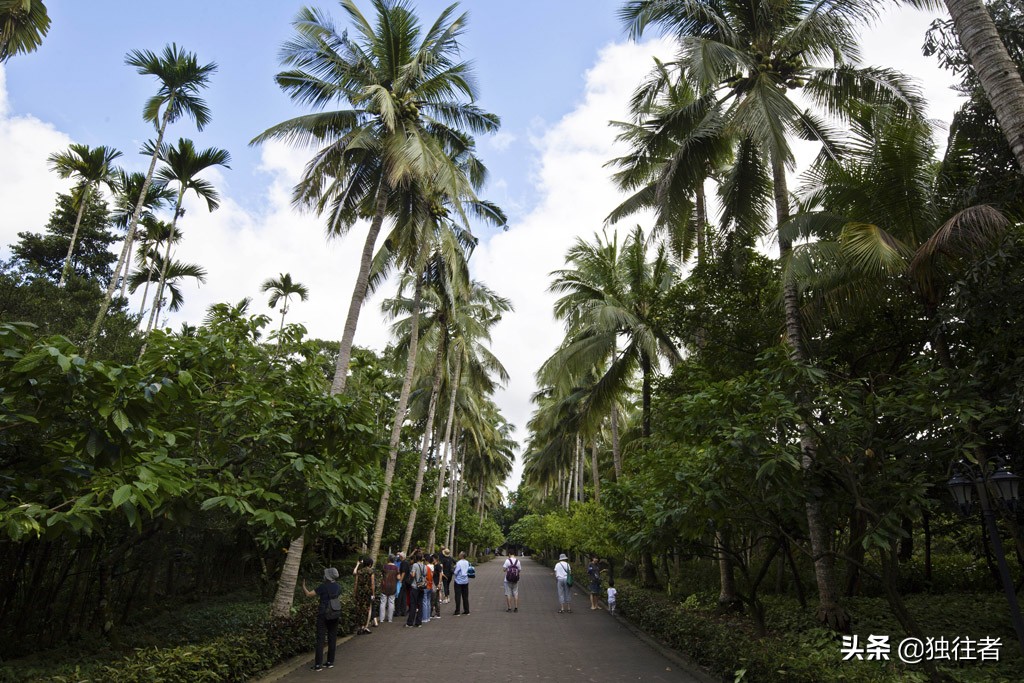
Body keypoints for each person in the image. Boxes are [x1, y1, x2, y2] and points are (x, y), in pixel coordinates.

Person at [302, 567, 341, 671]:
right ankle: (330, 662)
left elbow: (309, 594)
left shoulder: (323, 587)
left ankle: (318, 665)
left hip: (323, 613)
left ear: (327, 576)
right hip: (335, 613)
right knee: (332, 638)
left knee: (320, 638)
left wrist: (303, 586)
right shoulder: (338, 586)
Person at [354, 556, 375, 633]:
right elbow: (372, 584)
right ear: (370, 564)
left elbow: (356, 583)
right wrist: (373, 593)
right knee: (367, 609)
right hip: (367, 593)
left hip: (360, 592)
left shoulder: (359, 571)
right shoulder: (371, 571)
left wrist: (355, 592)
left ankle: (360, 626)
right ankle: (365, 627)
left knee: (360, 609)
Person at [405, 551, 426, 627]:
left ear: (416, 558)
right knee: (420, 605)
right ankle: (418, 622)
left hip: (415, 586)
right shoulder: (424, 566)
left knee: (413, 604)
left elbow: (413, 574)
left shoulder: (415, 565)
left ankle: (410, 622)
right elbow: (425, 575)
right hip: (422, 586)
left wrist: (410, 574)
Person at [379, 554, 399, 624]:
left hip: (384, 586)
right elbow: (398, 577)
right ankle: (390, 619)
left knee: (383, 602)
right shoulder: (396, 568)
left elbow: (381, 575)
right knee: (391, 602)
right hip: (393, 586)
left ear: (388, 559)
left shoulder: (384, 566)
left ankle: (381, 619)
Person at [452, 551, 471, 616]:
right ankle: (467, 610)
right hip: (465, 580)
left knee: (457, 596)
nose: (458, 555)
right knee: (465, 596)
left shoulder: (459, 563)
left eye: (459, 554)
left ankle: (457, 611)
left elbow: (456, 572)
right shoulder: (467, 562)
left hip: (458, 581)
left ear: (461, 556)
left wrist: (453, 570)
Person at [421, 554, 435, 624]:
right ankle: (428, 616)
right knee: (428, 601)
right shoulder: (431, 568)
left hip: (426, 586)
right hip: (430, 585)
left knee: (424, 602)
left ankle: (424, 617)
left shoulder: (425, 567)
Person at [395, 551, 410, 617]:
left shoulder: (403, 563)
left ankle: (398, 611)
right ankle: (403, 611)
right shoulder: (407, 562)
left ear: (401, 557)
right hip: (406, 582)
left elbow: (403, 572)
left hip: (403, 581)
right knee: (404, 597)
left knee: (399, 596)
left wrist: (400, 580)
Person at [431, 553, 444, 619]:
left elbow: (440, 574)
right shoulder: (434, 565)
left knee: (435, 599)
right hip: (434, 583)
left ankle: (437, 613)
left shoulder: (438, 566)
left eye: (432, 559)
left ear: (435, 559)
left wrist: (439, 583)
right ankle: (437, 613)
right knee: (435, 599)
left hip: (436, 583)